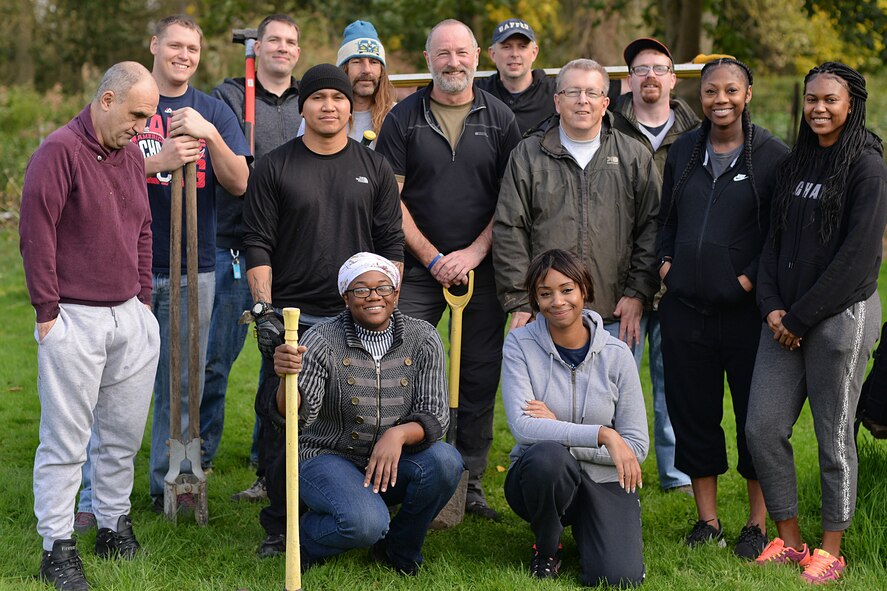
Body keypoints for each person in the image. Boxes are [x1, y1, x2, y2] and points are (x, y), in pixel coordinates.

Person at [242, 63, 404, 556]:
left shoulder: (373, 166)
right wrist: (265, 311)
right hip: (295, 320)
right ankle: (279, 523)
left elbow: (390, 242)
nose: (329, 106)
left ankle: (350, 503)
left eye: (337, 98)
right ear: (303, 107)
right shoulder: (274, 166)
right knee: (283, 420)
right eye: (318, 98)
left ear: (350, 107)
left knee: (352, 416)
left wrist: (386, 302)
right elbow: (257, 241)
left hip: (355, 319)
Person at [20, 62, 161, 591]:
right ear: (106, 100)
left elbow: (143, 228)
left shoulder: (130, 156)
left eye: (147, 117)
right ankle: (57, 546)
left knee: (122, 437)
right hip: (73, 318)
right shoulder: (58, 151)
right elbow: (36, 234)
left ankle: (111, 524)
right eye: (137, 115)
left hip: (130, 316)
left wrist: (143, 303)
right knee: (66, 443)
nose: (142, 128)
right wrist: (47, 314)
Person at [376, 18, 522, 521]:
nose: (453, 62)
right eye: (443, 53)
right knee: (401, 368)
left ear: (477, 56)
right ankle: (402, 471)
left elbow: (511, 199)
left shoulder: (501, 119)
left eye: (462, 53)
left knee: (477, 375)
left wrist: (474, 253)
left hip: (482, 270)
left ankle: (470, 481)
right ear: (428, 59)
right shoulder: (403, 119)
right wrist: (433, 257)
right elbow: (389, 199)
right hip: (419, 270)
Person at [746, 62, 887, 583]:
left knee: (833, 436)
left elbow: (858, 257)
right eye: (811, 99)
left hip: (840, 317)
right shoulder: (795, 162)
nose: (819, 108)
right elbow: (773, 242)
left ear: (852, 104)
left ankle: (832, 549)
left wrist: (801, 317)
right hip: (784, 318)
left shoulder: (867, 166)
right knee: (762, 428)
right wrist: (771, 306)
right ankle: (789, 541)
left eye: (830, 99)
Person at [656, 58, 789, 558]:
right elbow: (666, 218)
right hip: (685, 310)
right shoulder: (684, 149)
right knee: (693, 414)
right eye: (711, 91)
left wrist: (748, 279)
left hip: (746, 315)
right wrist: (666, 265)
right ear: (701, 94)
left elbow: (779, 233)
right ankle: (707, 520)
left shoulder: (772, 155)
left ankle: (756, 523)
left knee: (755, 420)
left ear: (748, 94)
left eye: (731, 90)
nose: (721, 100)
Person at [269, 253, 464, 575]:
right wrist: (284, 378)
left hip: (393, 460)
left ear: (396, 293)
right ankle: (307, 536)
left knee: (446, 461)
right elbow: (296, 417)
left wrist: (397, 434)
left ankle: (398, 549)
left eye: (383, 287)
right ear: (345, 297)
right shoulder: (321, 339)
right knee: (365, 524)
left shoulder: (423, 338)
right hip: (327, 456)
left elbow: (435, 415)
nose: (373, 296)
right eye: (360, 289)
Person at [138, 14, 252, 510]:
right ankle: (98, 490)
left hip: (194, 265)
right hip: (131, 265)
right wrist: (156, 162)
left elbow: (239, 182)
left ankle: (174, 479)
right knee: (117, 381)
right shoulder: (130, 102)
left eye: (192, 48)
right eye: (175, 45)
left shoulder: (213, 110)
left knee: (185, 382)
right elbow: (96, 166)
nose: (184, 55)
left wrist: (210, 135)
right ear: (154, 45)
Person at [493, 58, 660, 358]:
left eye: (592, 92)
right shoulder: (527, 155)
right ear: (557, 101)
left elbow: (653, 226)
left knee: (615, 390)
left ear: (605, 103)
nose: (583, 100)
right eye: (573, 92)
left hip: (616, 314)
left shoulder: (634, 155)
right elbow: (509, 229)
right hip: (545, 313)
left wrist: (637, 293)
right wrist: (520, 300)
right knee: (545, 391)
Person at [502, 249, 648, 586]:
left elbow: (636, 447)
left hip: (604, 479)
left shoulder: (617, 354)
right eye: (545, 293)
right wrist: (603, 435)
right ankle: (547, 548)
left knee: (618, 578)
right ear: (535, 299)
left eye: (567, 290)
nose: (557, 301)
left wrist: (556, 430)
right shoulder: (519, 345)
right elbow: (523, 427)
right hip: (541, 477)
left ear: (584, 290)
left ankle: (595, 530)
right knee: (548, 457)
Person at [206, 13, 302, 501]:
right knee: (215, 358)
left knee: (278, 360)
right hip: (233, 243)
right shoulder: (226, 97)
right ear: (257, 47)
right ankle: (198, 457)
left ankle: (267, 462)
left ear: (297, 52)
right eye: (274, 40)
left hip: (289, 247)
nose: (282, 48)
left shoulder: (310, 99)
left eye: (291, 41)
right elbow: (231, 170)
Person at [611, 38, 700, 496]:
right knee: (617, 376)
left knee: (675, 379)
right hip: (619, 278)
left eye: (659, 68)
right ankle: (614, 463)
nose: (650, 76)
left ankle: (676, 472)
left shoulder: (697, 132)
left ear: (673, 78)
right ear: (628, 79)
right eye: (640, 68)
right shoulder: (607, 125)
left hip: (678, 277)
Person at [297, 20, 395, 147]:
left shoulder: (397, 115)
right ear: (343, 69)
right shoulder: (323, 115)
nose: (367, 70)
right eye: (357, 61)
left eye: (374, 62)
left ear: (382, 70)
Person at [474, 18, 556, 135]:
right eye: (506, 47)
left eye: (522, 46)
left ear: (534, 53)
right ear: (492, 54)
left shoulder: (556, 93)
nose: (515, 54)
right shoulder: (477, 94)